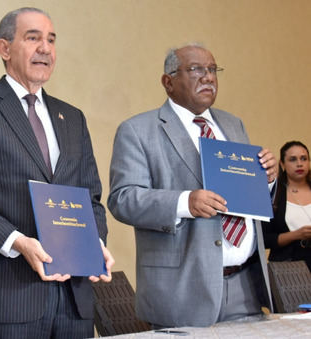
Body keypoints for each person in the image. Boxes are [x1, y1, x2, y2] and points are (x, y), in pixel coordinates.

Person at [0, 7, 114, 339]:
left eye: (51, 40)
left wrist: (94, 243)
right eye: (33, 38)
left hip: (74, 300)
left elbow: (91, 198)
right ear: (5, 48)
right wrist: (18, 243)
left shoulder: (73, 117)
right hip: (10, 298)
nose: (45, 49)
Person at [107, 43, 277, 328]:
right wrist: (184, 203)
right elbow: (123, 199)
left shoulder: (233, 125)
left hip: (246, 285)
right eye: (196, 69)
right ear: (168, 82)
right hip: (181, 291)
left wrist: (267, 180)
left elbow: (245, 194)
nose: (208, 77)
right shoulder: (137, 130)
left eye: (212, 70)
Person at [263, 141, 311, 271]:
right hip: (288, 268)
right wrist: (296, 235)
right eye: (293, 159)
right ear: (282, 164)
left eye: (304, 159)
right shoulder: (273, 194)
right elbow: (264, 239)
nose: (299, 163)